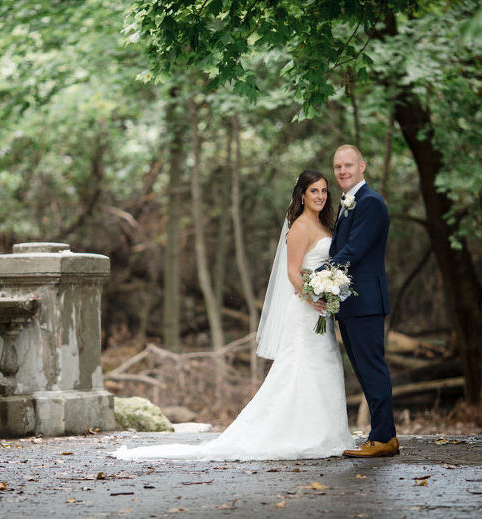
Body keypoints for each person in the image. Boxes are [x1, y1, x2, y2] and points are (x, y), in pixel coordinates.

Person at [113, 170, 354, 461]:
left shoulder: (323, 224)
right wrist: (312, 296)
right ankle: (302, 433)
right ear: (302, 194)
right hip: (305, 312)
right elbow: (292, 272)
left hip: (319, 312)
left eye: (324, 191)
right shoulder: (301, 227)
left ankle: (326, 432)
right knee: (302, 368)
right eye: (314, 191)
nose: (320, 196)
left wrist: (327, 291)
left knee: (324, 366)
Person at [321, 144, 398, 457]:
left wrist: (318, 277)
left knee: (372, 369)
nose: (343, 171)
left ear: (362, 166)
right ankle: (382, 436)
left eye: (348, 165)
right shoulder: (349, 202)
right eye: (338, 166)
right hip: (352, 304)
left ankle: (383, 438)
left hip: (365, 302)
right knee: (365, 370)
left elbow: (353, 251)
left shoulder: (370, 203)